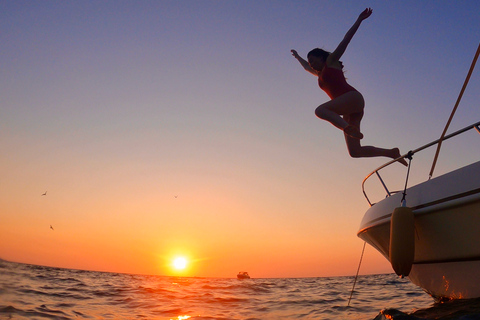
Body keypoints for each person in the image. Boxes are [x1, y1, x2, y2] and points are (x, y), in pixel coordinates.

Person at [291, 8, 407, 166]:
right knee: (355, 152)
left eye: (313, 60)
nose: (311, 64)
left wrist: (359, 20)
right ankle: (391, 153)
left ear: (321, 57)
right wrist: (298, 57)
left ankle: (347, 128)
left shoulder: (331, 61)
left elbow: (346, 40)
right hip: (350, 110)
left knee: (320, 111)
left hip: (353, 98)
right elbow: (306, 67)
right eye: (310, 62)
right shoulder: (319, 74)